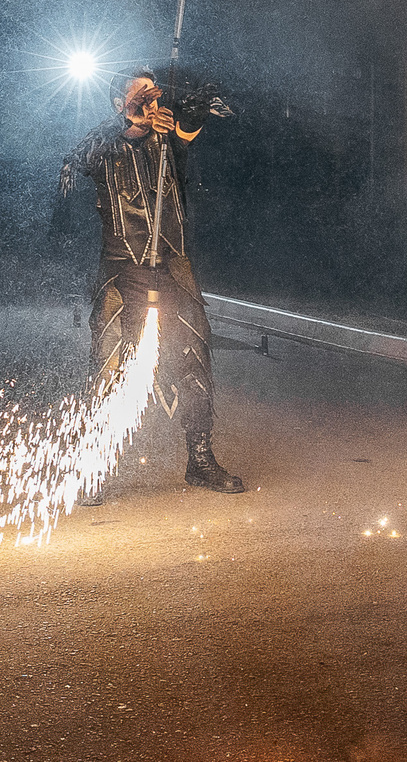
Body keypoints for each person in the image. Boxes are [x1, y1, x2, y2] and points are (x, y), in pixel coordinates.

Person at [61, 71, 244, 500]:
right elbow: (75, 162)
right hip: (123, 270)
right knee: (107, 368)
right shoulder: (104, 144)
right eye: (138, 92)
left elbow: (193, 127)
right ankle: (93, 466)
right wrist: (135, 123)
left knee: (194, 361)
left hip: (173, 267)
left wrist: (194, 106)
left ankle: (200, 460)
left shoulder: (169, 141)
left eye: (153, 90)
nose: (150, 97)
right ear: (117, 103)